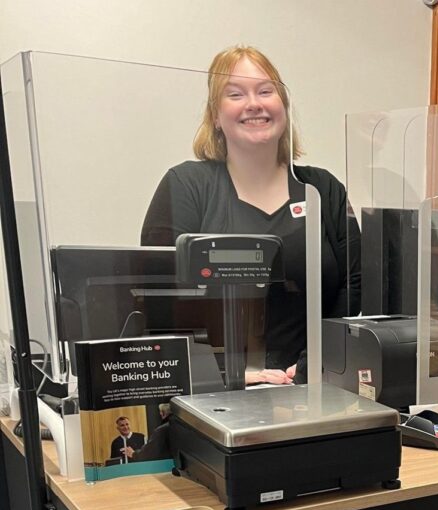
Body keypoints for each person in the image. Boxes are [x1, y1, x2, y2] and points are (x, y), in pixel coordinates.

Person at [141, 46, 360, 385]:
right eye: (235, 94)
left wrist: (316, 363)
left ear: (283, 106)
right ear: (215, 115)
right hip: (216, 391)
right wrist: (234, 374)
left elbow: (353, 287)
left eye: (265, 91)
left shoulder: (323, 190)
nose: (254, 104)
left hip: (316, 385)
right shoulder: (186, 186)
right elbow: (158, 300)